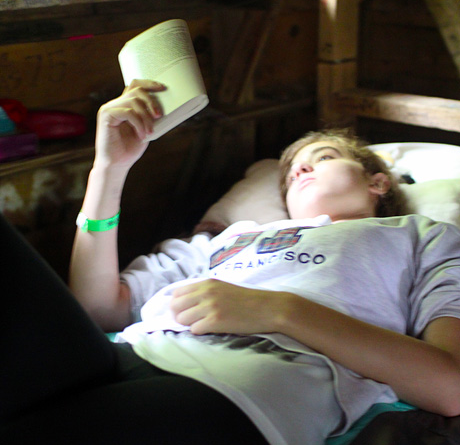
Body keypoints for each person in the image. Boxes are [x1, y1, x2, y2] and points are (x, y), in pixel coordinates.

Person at [3, 79, 460, 445]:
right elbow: (100, 309)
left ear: (378, 181)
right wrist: (108, 170)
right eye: (288, 174)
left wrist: (277, 310)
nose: (297, 170)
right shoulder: (237, 236)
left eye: (321, 157)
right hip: (127, 351)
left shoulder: (422, 237)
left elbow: (450, 385)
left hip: (238, 391)